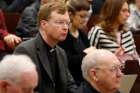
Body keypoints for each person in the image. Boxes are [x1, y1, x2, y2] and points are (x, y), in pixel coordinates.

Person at [14, 1, 77, 93]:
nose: (65, 27)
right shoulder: (25, 50)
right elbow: (21, 89)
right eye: (60, 22)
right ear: (44, 24)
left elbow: (70, 85)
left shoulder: (61, 52)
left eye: (67, 23)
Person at [59, 0, 90, 86]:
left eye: (87, 17)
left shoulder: (83, 34)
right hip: (70, 81)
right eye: (81, 16)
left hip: (84, 79)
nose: (85, 20)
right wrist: (86, 53)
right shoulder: (63, 35)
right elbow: (66, 61)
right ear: (70, 15)